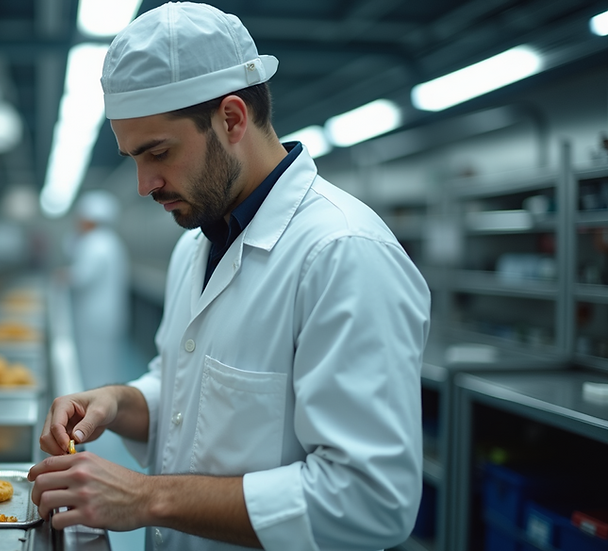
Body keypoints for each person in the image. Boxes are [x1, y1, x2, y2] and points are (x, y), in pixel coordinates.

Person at [27, 3, 431, 550]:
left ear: (233, 119)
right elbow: (190, 397)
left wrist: (149, 499)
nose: (146, 184)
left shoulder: (342, 253)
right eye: (133, 159)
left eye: (158, 152)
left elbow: (369, 499)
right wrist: (120, 403)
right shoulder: (197, 243)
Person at [68, 190, 130, 390]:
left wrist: (63, 276)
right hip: (109, 314)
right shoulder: (112, 241)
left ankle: (92, 407)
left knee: (92, 364)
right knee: (106, 362)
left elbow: (82, 277)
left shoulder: (94, 242)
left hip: (94, 316)